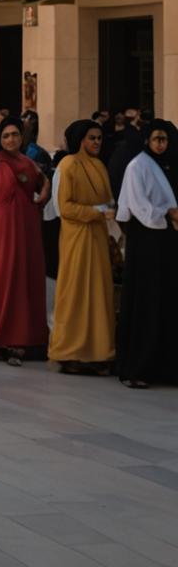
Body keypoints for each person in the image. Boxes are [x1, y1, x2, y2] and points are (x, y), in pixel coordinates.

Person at [0, 116, 49, 364]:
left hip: (28, 224)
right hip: (3, 224)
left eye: (15, 134)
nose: (11, 139)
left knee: (26, 276)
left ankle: (26, 338)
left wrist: (44, 189)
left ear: (22, 137)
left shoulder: (28, 162)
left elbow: (42, 183)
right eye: (6, 136)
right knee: (2, 275)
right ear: (0, 139)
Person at [51, 120, 117, 375]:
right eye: (92, 138)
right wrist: (95, 212)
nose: (97, 142)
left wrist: (108, 209)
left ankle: (100, 353)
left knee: (99, 293)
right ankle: (71, 353)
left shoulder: (99, 165)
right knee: (76, 292)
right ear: (80, 139)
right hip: (76, 239)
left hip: (98, 238)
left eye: (99, 138)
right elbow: (65, 207)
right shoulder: (68, 165)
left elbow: (106, 199)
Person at [117, 120, 178, 387]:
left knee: (169, 300)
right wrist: (166, 213)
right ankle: (138, 368)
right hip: (147, 241)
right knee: (148, 299)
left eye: (164, 139)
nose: (161, 144)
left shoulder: (173, 164)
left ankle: (168, 367)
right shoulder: (138, 166)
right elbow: (138, 205)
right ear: (146, 140)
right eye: (156, 139)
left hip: (170, 241)